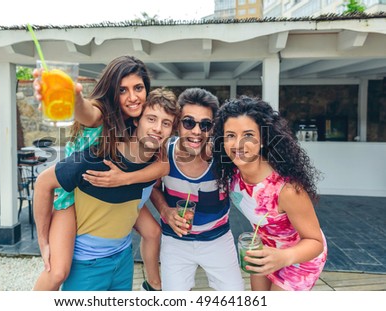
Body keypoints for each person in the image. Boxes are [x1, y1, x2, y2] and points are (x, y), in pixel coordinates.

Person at [32, 55, 170, 291]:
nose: (133, 97)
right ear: (111, 92)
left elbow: (164, 164)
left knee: (153, 231)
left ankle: (154, 284)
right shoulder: (103, 112)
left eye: (138, 88)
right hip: (74, 190)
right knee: (57, 272)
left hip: (115, 196)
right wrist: (74, 97)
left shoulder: (140, 121)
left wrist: (123, 179)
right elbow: (87, 112)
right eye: (123, 90)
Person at [213, 96, 327, 291]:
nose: (238, 144)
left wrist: (283, 257)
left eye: (248, 135)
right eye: (230, 135)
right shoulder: (231, 173)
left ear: (263, 139)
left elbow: (315, 242)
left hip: (299, 259)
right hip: (263, 250)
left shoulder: (287, 190)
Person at [149, 88, 245, 291]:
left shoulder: (224, 156)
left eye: (205, 125)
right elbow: (154, 188)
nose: (196, 131)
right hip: (175, 241)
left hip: (218, 239)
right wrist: (166, 211)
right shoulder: (163, 152)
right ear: (177, 124)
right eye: (189, 122)